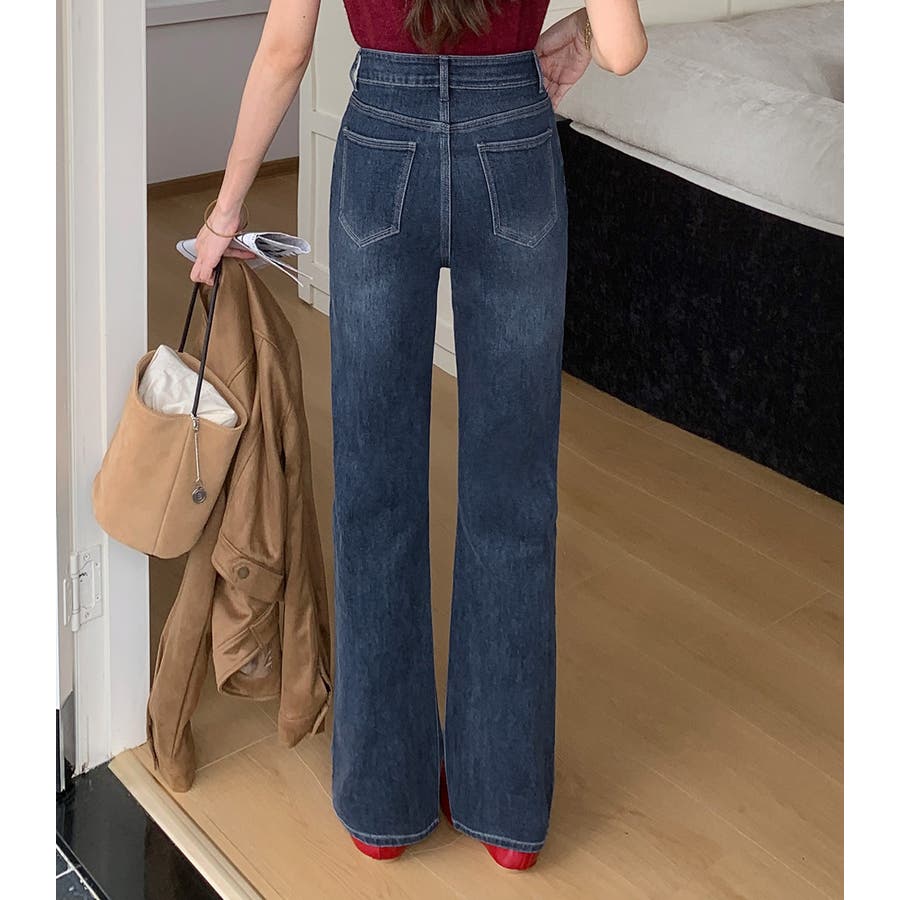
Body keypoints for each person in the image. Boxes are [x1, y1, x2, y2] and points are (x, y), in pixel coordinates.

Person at [189, 0, 647, 871]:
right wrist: (582, 29)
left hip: (381, 146)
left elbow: (285, 51)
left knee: (374, 490)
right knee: (513, 497)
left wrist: (224, 214)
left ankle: (382, 801)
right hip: (513, 141)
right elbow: (623, 50)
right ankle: (505, 809)